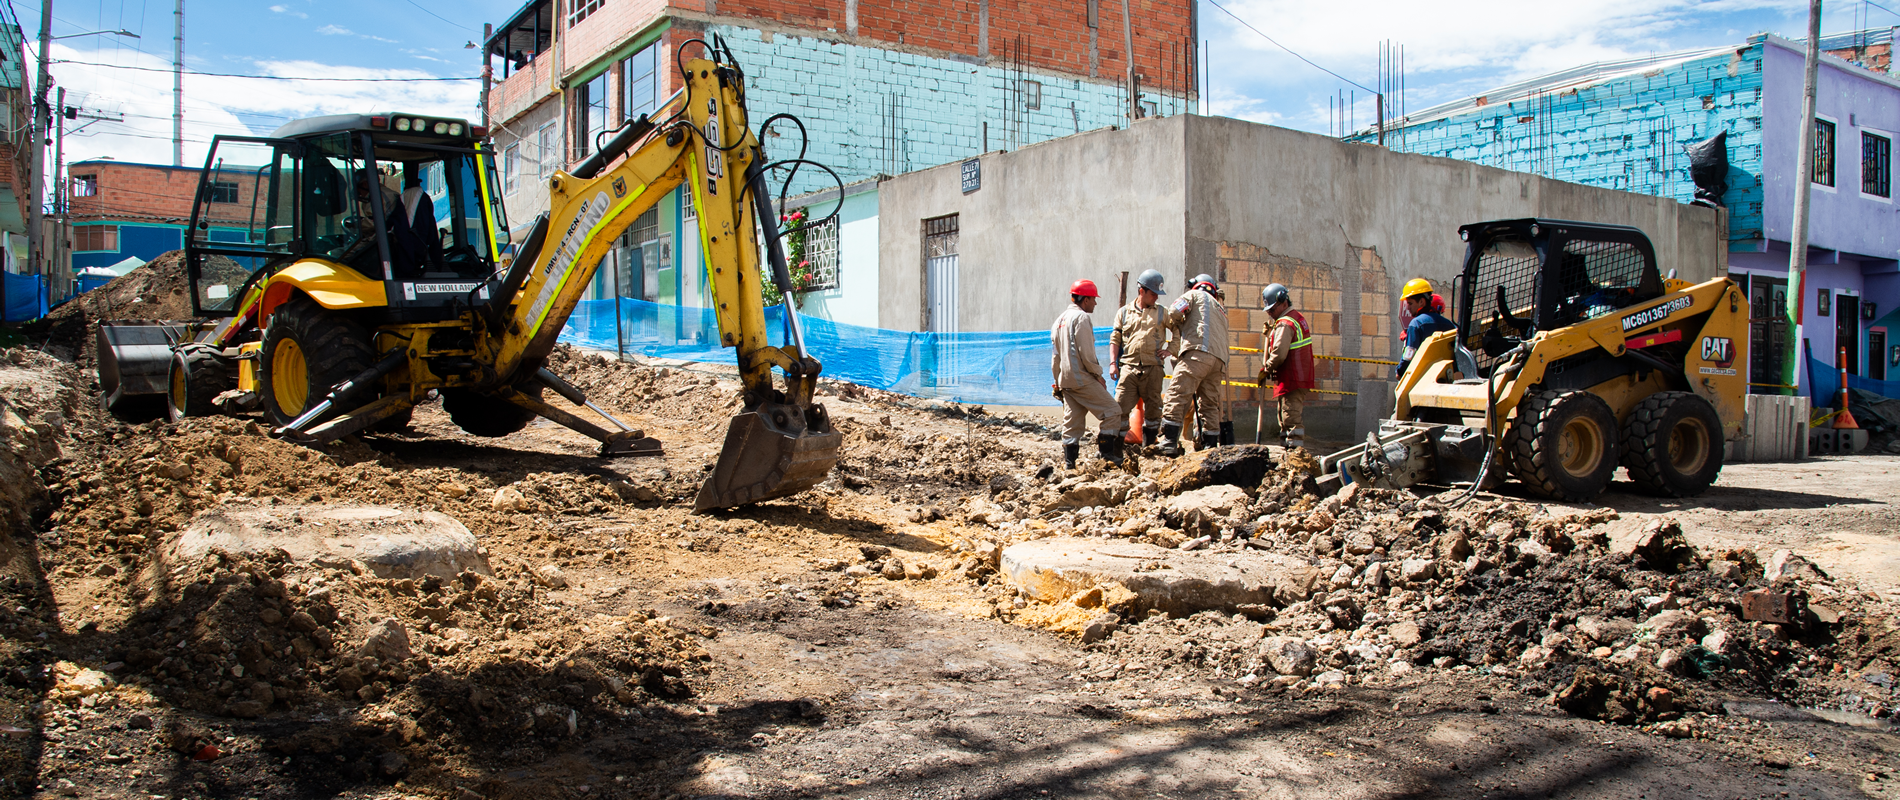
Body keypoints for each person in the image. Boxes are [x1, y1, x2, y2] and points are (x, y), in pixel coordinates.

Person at [1051, 279, 1125, 468]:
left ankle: (1069, 465)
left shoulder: (1058, 320)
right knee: (1112, 412)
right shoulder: (1081, 318)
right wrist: (1098, 374)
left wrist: (1057, 381)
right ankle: (1106, 457)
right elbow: (1087, 352)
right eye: (1093, 299)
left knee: (1072, 423)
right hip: (1081, 378)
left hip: (1065, 380)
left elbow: (1055, 358)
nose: (1095, 303)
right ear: (1084, 300)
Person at [1159, 273, 1230, 456]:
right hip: (1218, 362)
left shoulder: (1194, 295)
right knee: (1209, 404)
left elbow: (1174, 311)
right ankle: (1210, 448)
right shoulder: (1221, 309)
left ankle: (1168, 442)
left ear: (1196, 285)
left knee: (1177, 393)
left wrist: (1179, 325)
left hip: (1198, 353)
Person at [1109, 269, 1171, 447]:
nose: (1156, 298)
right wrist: (1113, 363)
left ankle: (1149, 447)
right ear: (1141, 290)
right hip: (1129, 368)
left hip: (1153, 368)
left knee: (1153, 409)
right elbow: (1115, 339)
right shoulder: (1124, 313)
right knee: (1119, 407)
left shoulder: (1162, 312)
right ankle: (1116, 448)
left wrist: (1170, 350)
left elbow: (1178, 330)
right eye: (1153, 293)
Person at [1256, 283, 1315, 450]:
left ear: (1284, 302)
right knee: (1284, 417)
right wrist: (1272, 332)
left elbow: (1279, 354)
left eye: (1272, 310)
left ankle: (1294, 455)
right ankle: (1286, 452)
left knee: (1290, 419)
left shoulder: (1285, 323)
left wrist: (1266, 369)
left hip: (1292, 378)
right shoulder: (1295, 318)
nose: (1270, 313)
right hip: (1295, 377)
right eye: (1268, 310)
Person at [1398, 278, 1459, 378]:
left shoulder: (1416, 324)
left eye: (1410, 303)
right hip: (1444, 379)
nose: (1408, 307)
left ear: (1421, 301)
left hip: (1421, 379)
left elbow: (1409, 354)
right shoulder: (1449, 325)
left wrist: (1400, 371)